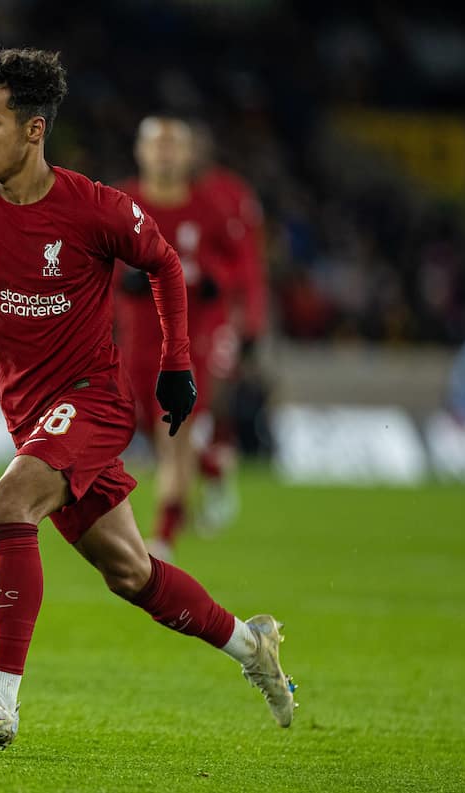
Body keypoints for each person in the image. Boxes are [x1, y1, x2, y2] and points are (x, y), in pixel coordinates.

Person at [0, 49, 294, 749]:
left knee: (9, 504)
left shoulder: (92, 206)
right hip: (31, 416)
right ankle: (251, 645)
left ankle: (0, 697)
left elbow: (162, 261)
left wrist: (175, 365)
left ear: (34, 130)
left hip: (92, 403)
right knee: (131, 573)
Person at [113, 116, 248, 559]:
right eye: (158, 145)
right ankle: (212, 467)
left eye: (174, 146)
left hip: (190, 341)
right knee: (155, 431)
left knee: (174, 431)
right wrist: (120, 278)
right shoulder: (120, 202)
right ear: (141, 151)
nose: (165, 154)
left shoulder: (211, 207)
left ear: (190, 155)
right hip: (137, 339)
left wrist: (217, 280)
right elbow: (92, 256)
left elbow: (238, 264)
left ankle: (163, 537)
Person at [189, 121, 270, 532]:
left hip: (217, 316)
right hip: (163, 317)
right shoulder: (156, 195)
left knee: (207, 401)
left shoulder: (230, 195)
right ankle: (210, 475)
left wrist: (251, 325)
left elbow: (249, 264)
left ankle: (215, 484)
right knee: (162, 410)